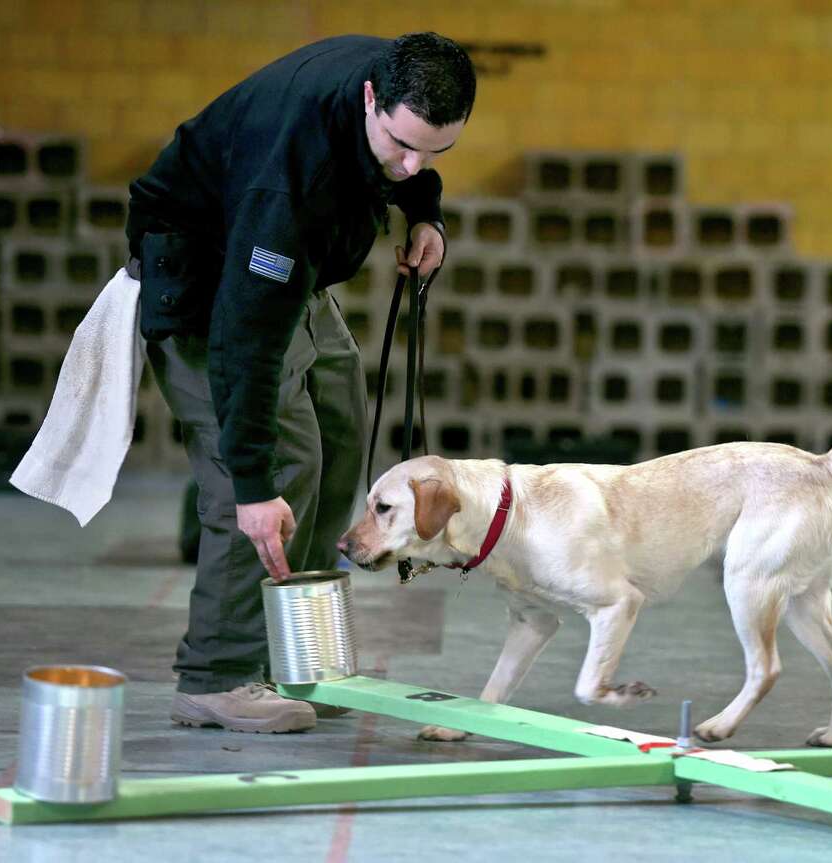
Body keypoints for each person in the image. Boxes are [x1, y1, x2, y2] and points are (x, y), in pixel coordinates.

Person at [125, 33, 475, 733]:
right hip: (208, 286)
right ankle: (217, 676)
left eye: (434, 152)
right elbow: (246, 341)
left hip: (292, 279)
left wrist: (424, 210)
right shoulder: (287, 181)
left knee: (341, 438)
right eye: (402, 146)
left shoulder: (399, 77)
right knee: (276, 468)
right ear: (371, 99)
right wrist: (253, 487)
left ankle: (301, 657)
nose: (412, 165)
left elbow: (410, 161)